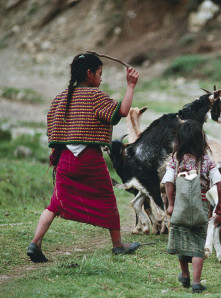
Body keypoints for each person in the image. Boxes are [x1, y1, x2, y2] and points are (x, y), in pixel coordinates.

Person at [27, 53, 141, 263]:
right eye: (99, 73)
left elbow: (51, 125)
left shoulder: (61, 98)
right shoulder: (95, 96)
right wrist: (131, 85)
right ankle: (117, 245)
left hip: (65, 160)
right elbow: (122, 111)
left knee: (55, 203)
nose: (101, 78)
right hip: (89, 160)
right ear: (89, 74)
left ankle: (35, 243)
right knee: (108, 199)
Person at [162, 120, 221, 293]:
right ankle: (196, 282)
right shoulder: (206, 160)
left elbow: (168, 182)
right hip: (201, 206)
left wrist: (171, 204)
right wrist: (220, 204)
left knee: (181, 239)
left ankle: (185, 275)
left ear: (180, 141)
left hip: (180, 207)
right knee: (198, 243)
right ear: (201, 140)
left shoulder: (176, 160)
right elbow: (220, 183)